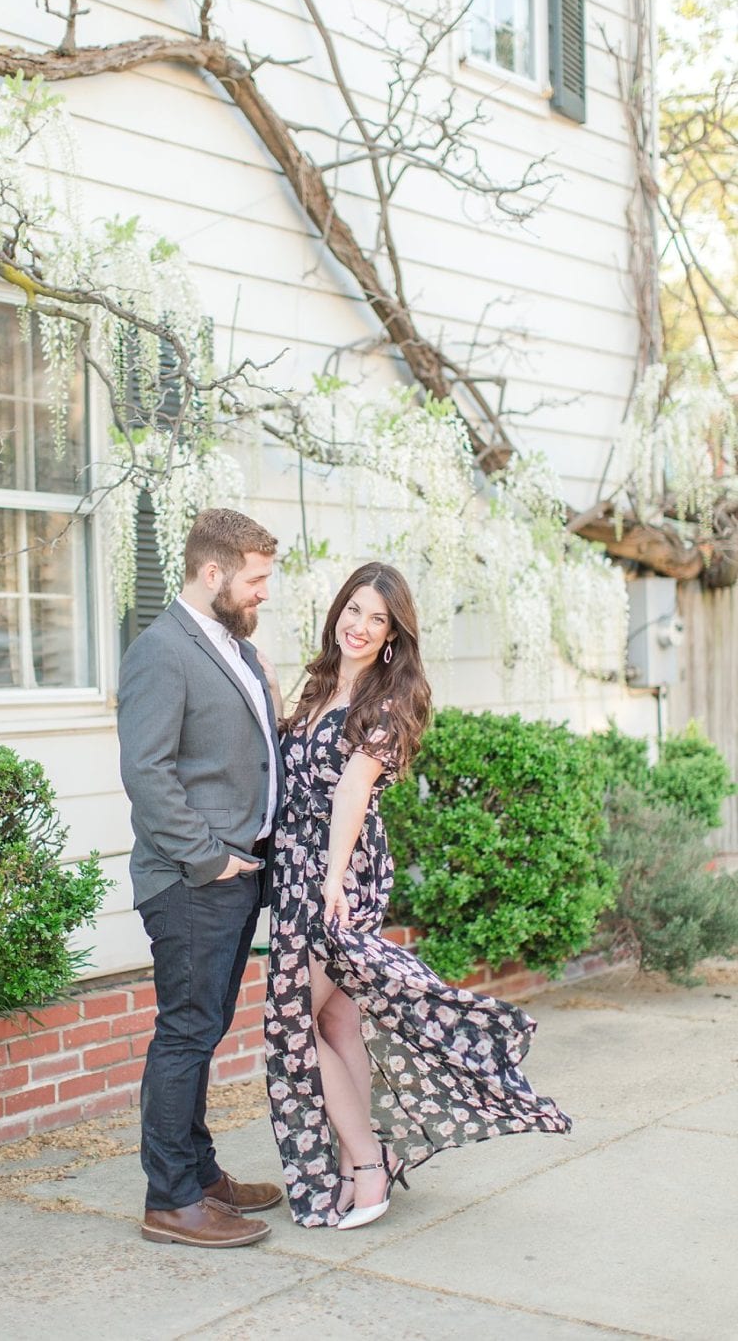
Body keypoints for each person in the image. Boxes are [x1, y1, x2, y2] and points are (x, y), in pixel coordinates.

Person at [265, 562, 572, 1230]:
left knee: (290, 1026)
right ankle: (357, 1166)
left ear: (394, 636)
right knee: (337, 1021)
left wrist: (331, 879)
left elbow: (350, 792)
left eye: (377, 619)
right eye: (353, 609)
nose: (359, 626)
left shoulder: (386, 701)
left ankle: (368, 1166)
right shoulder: (319, 685)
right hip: (297, 871)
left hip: (335, 877)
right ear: (337, 612)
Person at [117, 507, 286, 1249]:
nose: (263, 594)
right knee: (186, 1032)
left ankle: (201, 1172)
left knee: (204, 1029)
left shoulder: (237, 649)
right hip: (192, 880)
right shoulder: (161, 650)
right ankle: (172, 1198)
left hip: (236, 873)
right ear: (211, 573)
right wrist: (208, 858)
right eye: (254, 580)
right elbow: (146, 772)